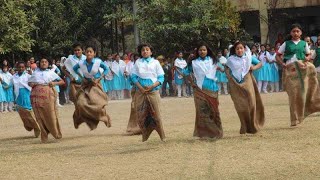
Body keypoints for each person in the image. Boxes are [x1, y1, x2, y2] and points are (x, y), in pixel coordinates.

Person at [276, 24, 320, 126]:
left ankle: (303, 113)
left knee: (302, 94)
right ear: (290, 33)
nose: (295, 33)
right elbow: (277, 55)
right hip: (290, 70)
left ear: (300, 33)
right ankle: (294, 119)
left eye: (297, 31)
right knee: (293, 95)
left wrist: (307, 59)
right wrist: (282, 63)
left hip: (301, 70)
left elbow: (308, 55)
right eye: (293, 31)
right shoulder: (286, 43)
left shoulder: (304, 43)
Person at [225, 41, 264, 134]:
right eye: (237, 48)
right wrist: (229, 76)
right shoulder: (230, 59)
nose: (239, 50)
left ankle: (253, 125)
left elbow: (260, 63)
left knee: (251, 104)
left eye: (241, 48)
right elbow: (226, 68)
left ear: (244, 49)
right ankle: (244, 126)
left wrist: (253, 68)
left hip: (248, 82)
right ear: (234, 50)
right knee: (240, 106)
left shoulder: (248, 57)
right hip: (235, 84)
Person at [186, 43, 223, 138]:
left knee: (214, 111)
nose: (202, 52)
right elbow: (185, 72)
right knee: (202, 112)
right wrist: (192, 83)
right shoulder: (193, 62)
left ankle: (217, 131)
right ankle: (207, 133)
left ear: (207, 51)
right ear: (197, 52)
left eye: (204, 50)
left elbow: (222, 69)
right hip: (199, 89)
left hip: (213, 89)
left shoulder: (213, 60)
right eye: (200, 50)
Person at [131, 43, 165, 142]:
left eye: (147, 49)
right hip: (140, 92)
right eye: (143, 50)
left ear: (151, 52)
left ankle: (162, 135)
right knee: (141, 115)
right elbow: (133, 77)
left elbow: (161, 77)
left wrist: (153, 86)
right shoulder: (138, 62)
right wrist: (140, 88)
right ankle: (145, 135)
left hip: (153, 91)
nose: (145, 51)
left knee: (156, 114)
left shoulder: (155, 62)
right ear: (140, 52)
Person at [73, 44, 111, 130]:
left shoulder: (98, 61)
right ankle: (81, 120)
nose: (89, 53)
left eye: (91, 52)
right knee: (80, 103)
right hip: (85, 85)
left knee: (98, 104)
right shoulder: (81, 63)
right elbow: (74, 69)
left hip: (95, 85)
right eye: (87, 52)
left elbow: (106, 69)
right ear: (84, 53)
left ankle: (104, 117)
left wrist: (99, 78)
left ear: (94, 53)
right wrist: (82, 78)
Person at [28, 58, 65, 143]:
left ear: (48, 64)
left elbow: (62, 82)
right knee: (39, 116)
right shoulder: (35, 73)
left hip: (48, 94)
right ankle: (44, 135)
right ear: (39, 63)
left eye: (45, 62)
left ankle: (56, 133)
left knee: (51, 114)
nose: (44, 63)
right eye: (42, 62)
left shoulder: (51, 73)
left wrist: (54, 83)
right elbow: (29, 82)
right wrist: (32, 84)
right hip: (36, 96)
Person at [13, 61, 41, 137]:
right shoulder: (14, 76)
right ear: (17, 68)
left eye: (22, 67)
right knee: (22, 113)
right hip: (18, 96)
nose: (21, 68)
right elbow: (10, 85)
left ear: (25, 68)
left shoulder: (28, 76)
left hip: (26, 94)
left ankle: (37, 127)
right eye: (19, 67)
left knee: (28, 112)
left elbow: (35, 83)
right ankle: (31, 126)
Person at [126, 53, 141, 135]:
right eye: (136, 59)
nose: (137, 60)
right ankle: (134, 126)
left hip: (145, 91)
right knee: (135, 108)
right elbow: (131, 81)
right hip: (136, 91)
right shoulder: (133, 69)